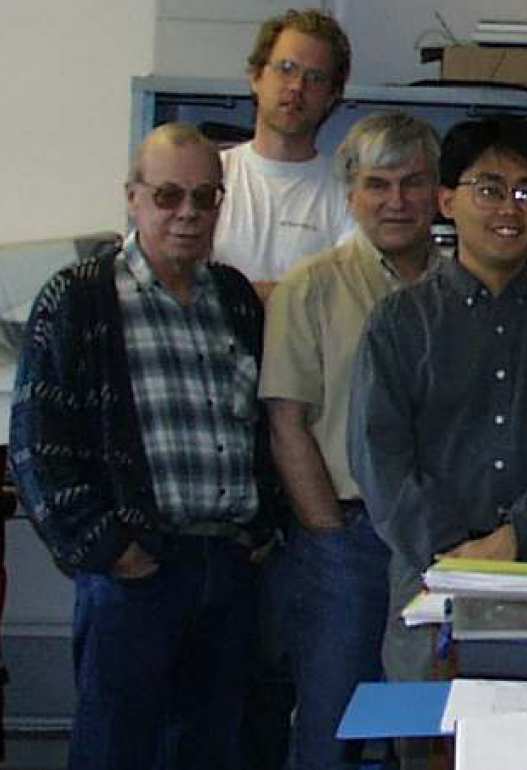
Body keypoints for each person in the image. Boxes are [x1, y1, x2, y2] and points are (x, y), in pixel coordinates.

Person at [12, 123, 286, 770]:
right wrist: (108, 548)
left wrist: (264, 526)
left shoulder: (234, 299)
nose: (188, 213)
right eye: (168, 196)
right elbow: (37, 444)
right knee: (118, 750)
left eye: (204, 197)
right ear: (132, 197)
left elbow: (266, 423)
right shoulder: (81, 297)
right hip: (136, 570)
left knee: (215, 750)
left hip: (228, 568)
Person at [348, 118, 527, 681]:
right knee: (432, 727)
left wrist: (516, 537)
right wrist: (458, 552)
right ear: (446, 201)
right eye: (489, 190)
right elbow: (380, 460)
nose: (510, 209)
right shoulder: (400, 323)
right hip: (433, 582)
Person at [259, 112, 441, 770]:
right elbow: (287, 423)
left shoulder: (464, 290)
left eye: (412, 182)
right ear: (351, 194)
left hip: (440, 543)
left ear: (438, 192)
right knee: (330, 731)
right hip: (346, 541)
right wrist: (330, 536)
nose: (396, 201)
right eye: (377, 184)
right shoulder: (311, 287)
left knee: (422, 729)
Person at [214, 8, 356, 299]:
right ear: (256, 77)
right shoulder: (213, 177)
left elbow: (342, 300)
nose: (297, 87)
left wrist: (237, 296)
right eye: (286, 68)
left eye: (315, 77)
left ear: (332, 97)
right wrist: (295, 296)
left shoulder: (348, 192)